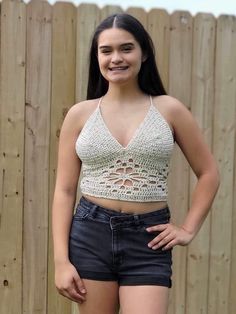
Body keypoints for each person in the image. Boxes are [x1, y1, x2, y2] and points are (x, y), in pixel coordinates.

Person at [52, 13, 220, 314]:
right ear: (97, 57)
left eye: (126, 48)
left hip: (148, 240)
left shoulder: (170, 110)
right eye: (107, 51)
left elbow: (208, 173)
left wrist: (187, 229)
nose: (116, 58)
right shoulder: (80, 114)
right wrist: (61, 261)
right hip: (91, 234)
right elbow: (64, 191)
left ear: (143, 53)